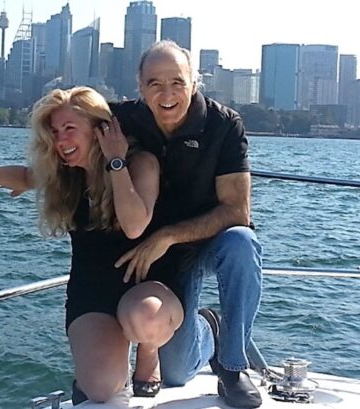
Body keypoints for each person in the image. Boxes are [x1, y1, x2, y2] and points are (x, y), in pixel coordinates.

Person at [0, 87, 184, 403]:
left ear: (100, 130)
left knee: (144, 319)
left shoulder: (141, 163)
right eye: (54, 131)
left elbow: (135, 226)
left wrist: (115, 162)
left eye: (69, 129)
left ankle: (151, 349)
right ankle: (111, 353)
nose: (61, 140)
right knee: (101, 388)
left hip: (146, 285)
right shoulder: (66, 174)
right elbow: (26, 177)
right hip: (92, 291)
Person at [110, 41, 264, 408]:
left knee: (242, 242)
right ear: (140, 87)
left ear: (195, 82)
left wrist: (167, 236)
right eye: (154, 84)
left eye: (177, 82)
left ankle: (232, 365)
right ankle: (209, 327)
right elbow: (67, 135)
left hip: (207, 243)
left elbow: (237, 211)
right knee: (177, 373)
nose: (166, 94)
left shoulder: (223, 125)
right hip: (159, 260)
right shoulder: (123, 120)